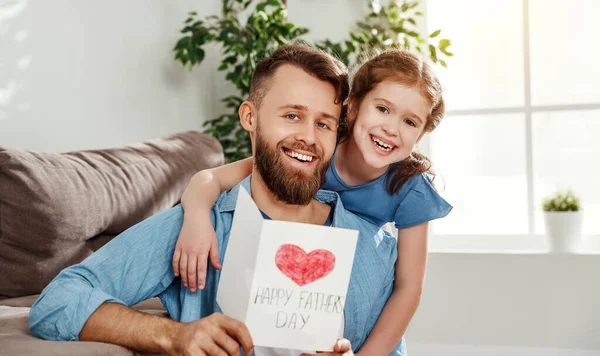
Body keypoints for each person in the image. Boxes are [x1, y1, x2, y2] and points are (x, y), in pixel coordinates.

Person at [29, 43, 405, 356]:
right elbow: (57, 302)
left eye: (323, 123)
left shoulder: (375, 247)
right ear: (250, 118)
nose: (308, 136)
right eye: (292, 115)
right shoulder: (196, 228)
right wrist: (176, 336)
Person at [173, 49, 452, 355]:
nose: (391, 128)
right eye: (383, 109)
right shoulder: (314, 150)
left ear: (422, 133)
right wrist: (197, 217)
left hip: (365, 318)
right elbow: (209, 179)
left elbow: (409, 289)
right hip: (303, 294)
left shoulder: (411, 187)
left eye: (410, 122)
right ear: (354, 106)